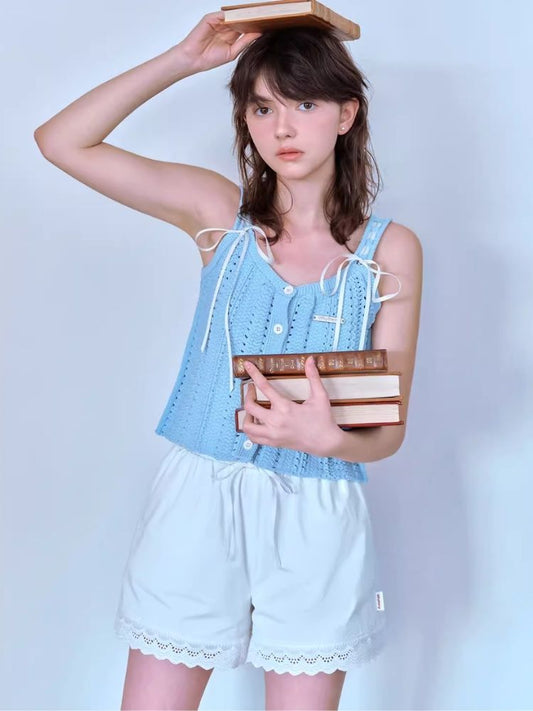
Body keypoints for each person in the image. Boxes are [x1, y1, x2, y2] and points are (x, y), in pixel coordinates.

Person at [34, 9, 422, 710]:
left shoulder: (388, 252)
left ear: (346, 114)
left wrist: (326, 438)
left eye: (305, 104)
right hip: (197, 499)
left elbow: (386, 430)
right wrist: (183, 59)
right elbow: (61, 141)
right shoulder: (219, 217)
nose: (282, 128)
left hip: (318, 511)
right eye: (263, 107)